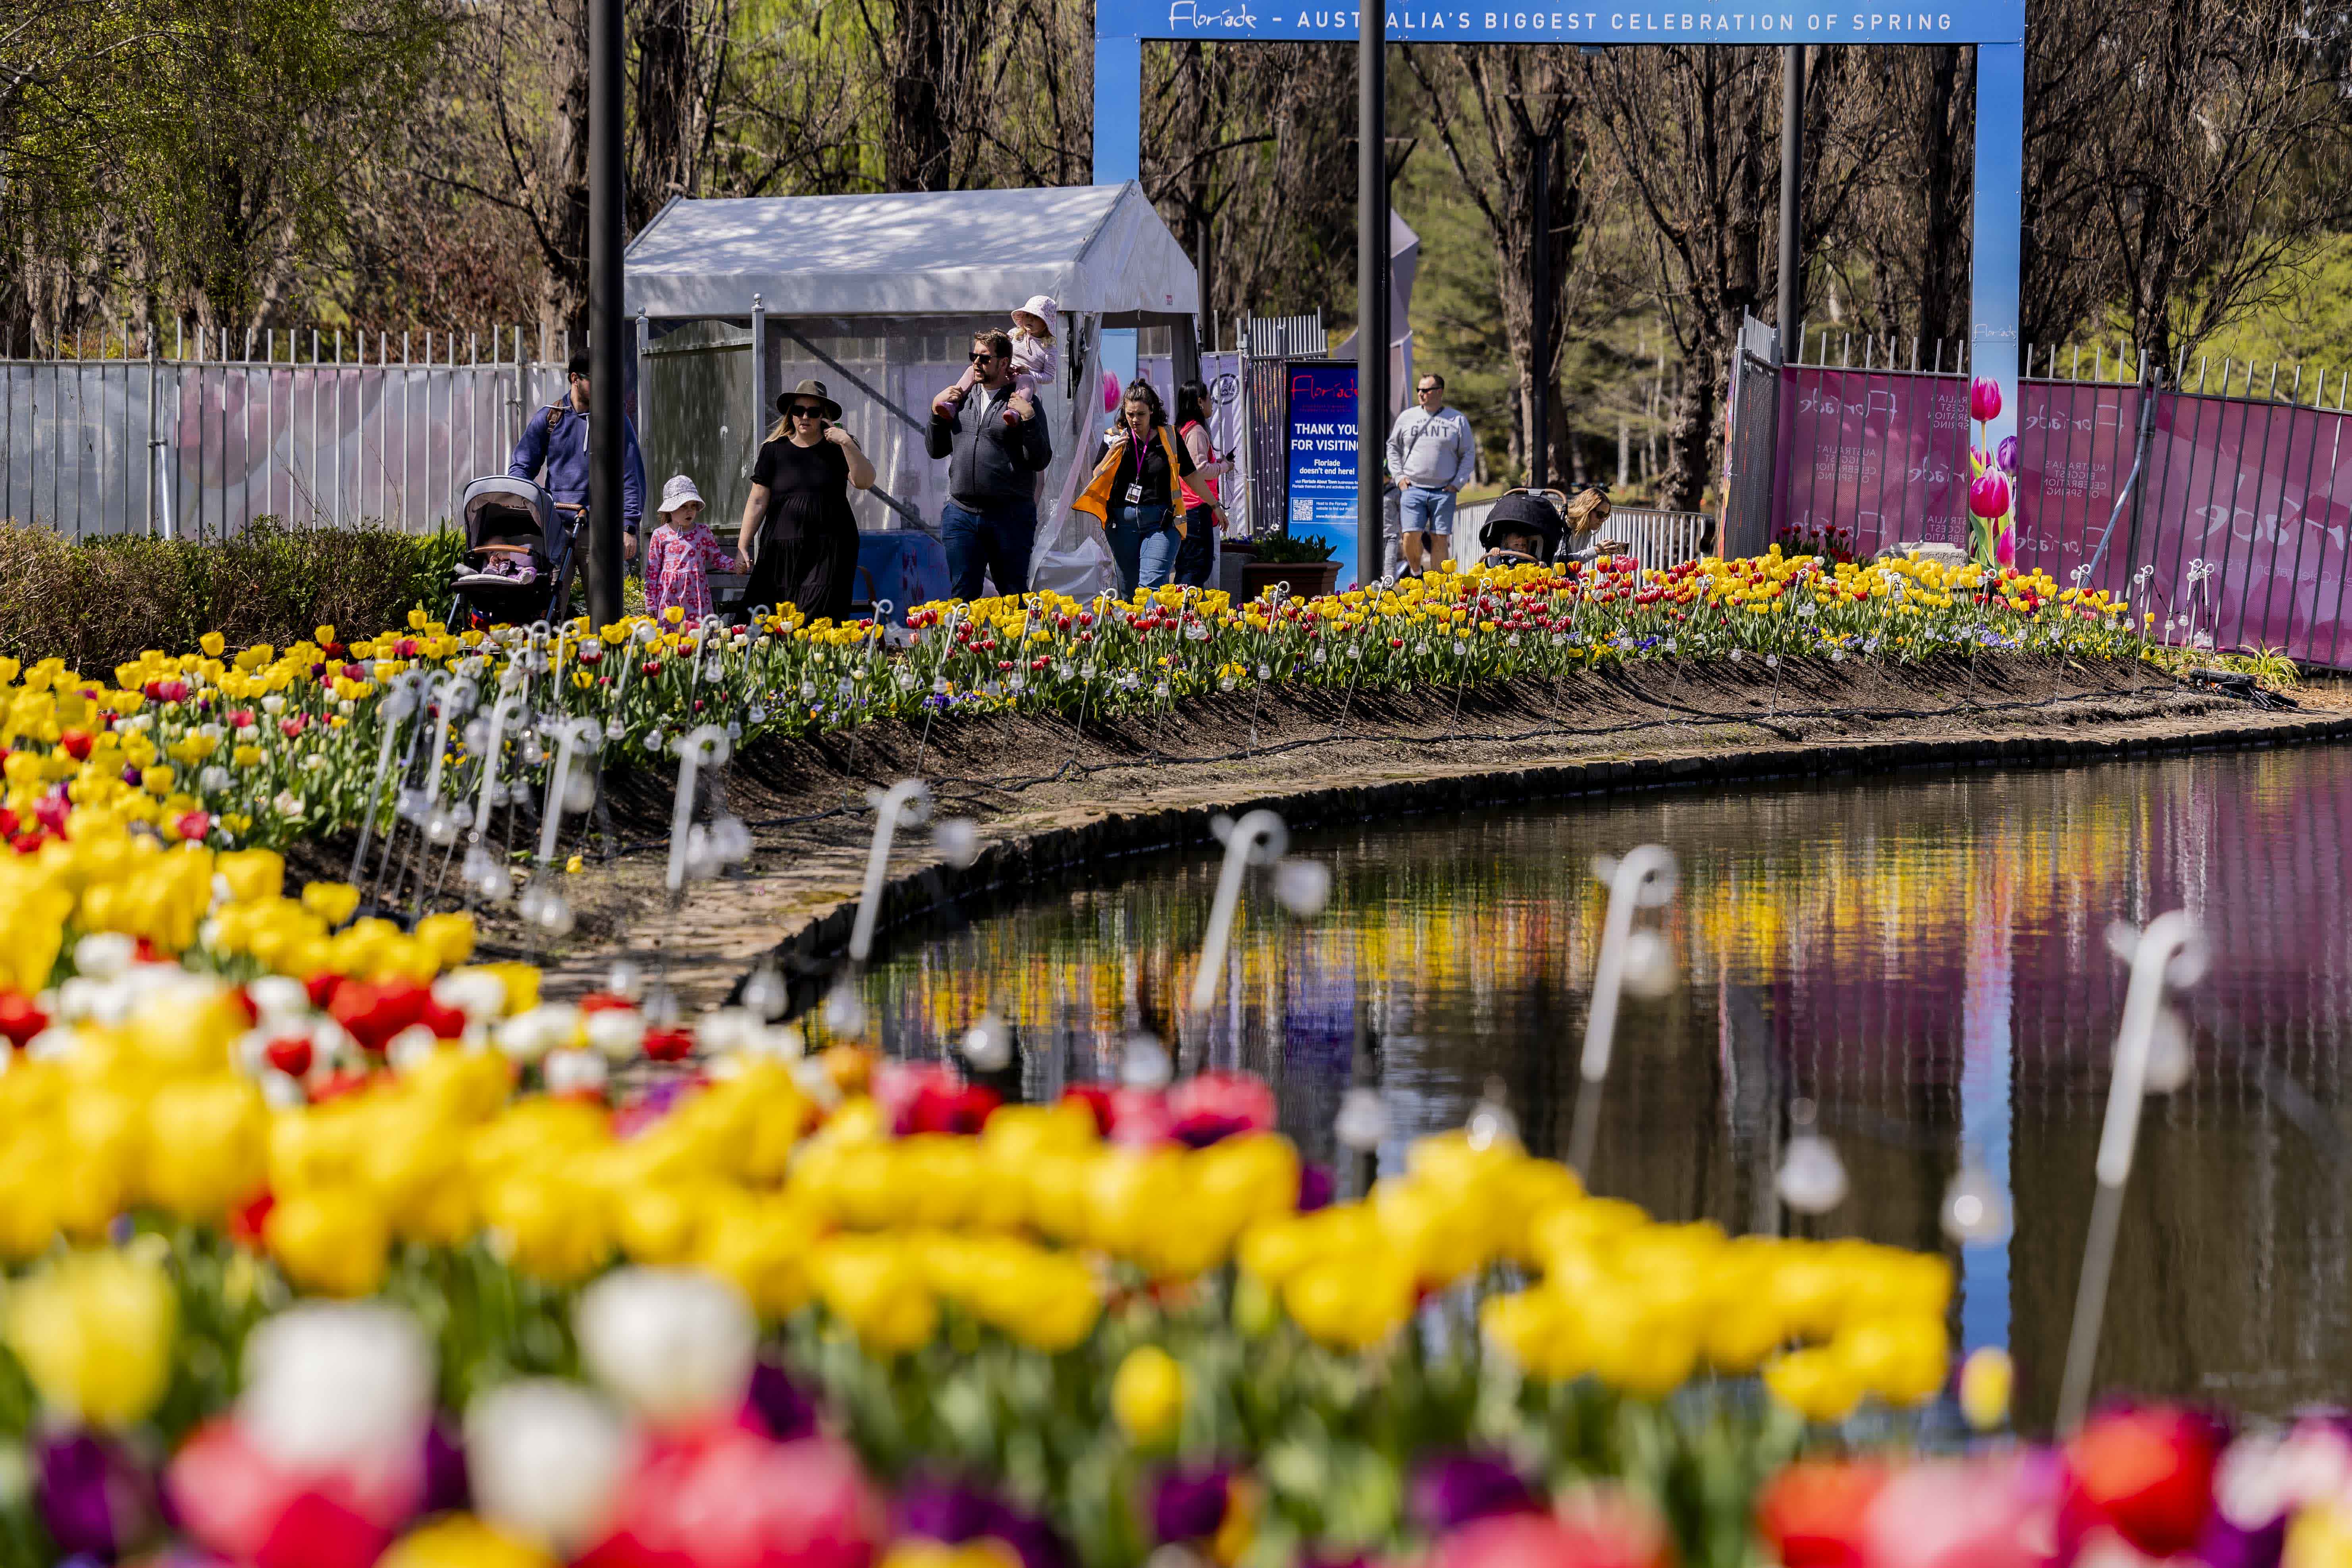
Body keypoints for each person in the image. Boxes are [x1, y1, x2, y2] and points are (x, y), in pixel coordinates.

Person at [739, 379, 875, 622]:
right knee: (768, 616)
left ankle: (818, 660)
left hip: (829, 548)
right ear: (790, 415)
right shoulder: (773, 450)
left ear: (824, 417)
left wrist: (846, 442)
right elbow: (758, 500)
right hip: (781, 548)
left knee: (818, 617)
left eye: (813, 412)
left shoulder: (838, 449)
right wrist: (743, 545)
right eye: (799, 411)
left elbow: (864, 481)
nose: (805, 417)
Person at [930, 332, 1053, 599]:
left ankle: (1016, 642)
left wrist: (1029, 419)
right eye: (973, 357)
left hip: (1009, 516)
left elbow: (1040, 459)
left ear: (1003, 363)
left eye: (984, 358)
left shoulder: (1023, 402)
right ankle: (968, 643)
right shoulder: (960, 399)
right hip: (961, 513)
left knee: (1013, 596)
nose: (976, 363)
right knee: (962, 598)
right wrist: (935, 413)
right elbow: (936, 450)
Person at [508, 348, 647, 562]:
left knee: (604, 596)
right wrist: (532, 511)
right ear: (575, 379)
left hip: (601, 531)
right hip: (556, 529)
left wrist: (629, 526)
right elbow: (521, 469)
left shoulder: (616, 421)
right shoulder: (550, 418)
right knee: (552, 594)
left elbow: (632, 476)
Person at [1073, 381, 1196, 594]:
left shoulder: (1170, 436)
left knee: (1151, 586)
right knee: (1130, 592)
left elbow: (1192, 475)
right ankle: (1136, 626)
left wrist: (1215, 506)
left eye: (1141, 414)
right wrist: (1111, 454)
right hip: (1122, 524)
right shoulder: (1113, 436)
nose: (1135, 420)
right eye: (1130, 414)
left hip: (1161, 521)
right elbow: (1096, 475)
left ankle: (1150, 626)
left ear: (1152, 410)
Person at [1384, 372, 1476, 576]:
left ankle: (1439, 589)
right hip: (1412, 488)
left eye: (1426, 390)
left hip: (1444, 491)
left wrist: (1458, 483)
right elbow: (1392, 447)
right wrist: (1399, 478)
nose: (1421, 394)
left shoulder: (1457, 420)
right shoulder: (1407, 417)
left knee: (1440, 539)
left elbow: (1468, 453)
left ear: (1439, 392)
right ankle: (1416, 572)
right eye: (1419, 390)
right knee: (1410, 536)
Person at [940, 295, 1059, 425]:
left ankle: (1014, 412)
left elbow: (1049, 377)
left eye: (1036, 317)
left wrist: (1029, 373)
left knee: (1027, 380)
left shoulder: (1049, 348)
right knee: (972, 370)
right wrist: (1005, 366)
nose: (1030, 320)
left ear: (1046, 323)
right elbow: (1001, 349)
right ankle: (953, 402)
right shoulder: (1014, 333)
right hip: (1004, 373)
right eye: (1027, 316)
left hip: (1024, 383)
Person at [645, 474, 739, 624]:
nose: (690, 511)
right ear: (671, 509)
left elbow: (716, 558)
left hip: (697, 595)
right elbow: (652, 572)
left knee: (699, 634)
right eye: (683, 506)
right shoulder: (660, 535)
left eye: (693, 506)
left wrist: (735, 565)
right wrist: (651, 603)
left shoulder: (703, 532)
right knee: (672, 639)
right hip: (670, 596)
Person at [1171, 379, 1230, 588]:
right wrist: (1224, 468)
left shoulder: (1182, 429)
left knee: (1191, 566)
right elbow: (1200, 470)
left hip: (1188, 507)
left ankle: (1183, 612)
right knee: (1196, 568)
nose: (1212, 405)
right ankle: (1182, 613)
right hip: (1195, 508)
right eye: (1210, 400)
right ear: (1199, 402)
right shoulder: (1195, 432)